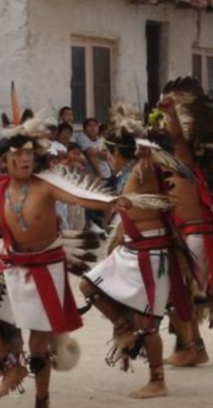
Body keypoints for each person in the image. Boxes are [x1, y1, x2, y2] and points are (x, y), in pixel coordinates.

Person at [0, 95, 132, 408]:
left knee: (39, 343)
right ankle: (12, 367)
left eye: (28, 153)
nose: (25, 159)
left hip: (46, 268)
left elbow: (78, 197)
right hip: (10, 264)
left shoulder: (45, 185)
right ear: (5, 162)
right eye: (18, 155)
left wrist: (110, 202)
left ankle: (42, 400)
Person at [79, 104, 188, 398]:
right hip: (129, 251)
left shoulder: (144, 168)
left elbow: (170, 152)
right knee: (88, 284)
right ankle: (121, 326)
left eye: (108, 151)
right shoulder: (128, 172)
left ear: (119, 151)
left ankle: (157, 380)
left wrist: (153, 137)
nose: (104, 156)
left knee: (147, 323)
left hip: (152, 255)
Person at [155, 77, 213, 367]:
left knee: (180, 297)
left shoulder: (182, 158)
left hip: (196, 237)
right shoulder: (174, 161)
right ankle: (194, 347)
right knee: (183, 297)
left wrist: (169, 112)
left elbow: (178, 137)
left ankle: (189, 348)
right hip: (192, 236)